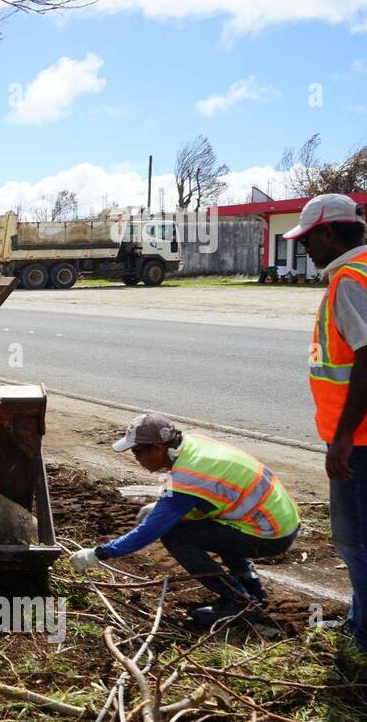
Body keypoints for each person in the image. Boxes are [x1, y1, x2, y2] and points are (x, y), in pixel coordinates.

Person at [68, 414, 300, 629]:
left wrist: (98, 553)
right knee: (213, 528)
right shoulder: (193, 444)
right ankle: (251, 588)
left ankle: (238, 602)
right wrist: (162, 508)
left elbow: (148, 532)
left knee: (175, 536)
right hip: (278, 519)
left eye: (137, 453)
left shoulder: (188, 477)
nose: (137, 459)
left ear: (158, 448)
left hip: (268, 534)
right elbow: (208, 497)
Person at [289, 193, 367, 650]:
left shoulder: (350, 282)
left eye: (308, 240)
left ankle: (363, 634)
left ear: (327, 231)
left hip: (358, 441)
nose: (306, 250)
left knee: (354, 541)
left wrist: (341, 440)